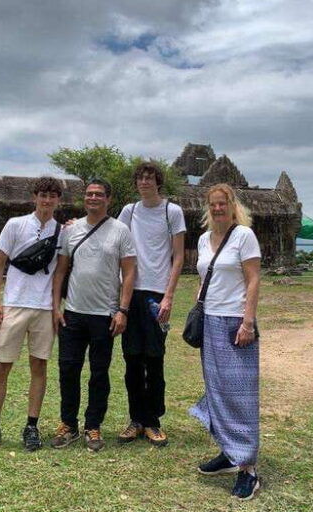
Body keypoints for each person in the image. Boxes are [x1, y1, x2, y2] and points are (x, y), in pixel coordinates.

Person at [0, 177, 64, 453]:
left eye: (52, 196)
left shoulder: (62, 231)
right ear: (34, 196)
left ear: (58, 200)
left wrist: (56, 307)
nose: (47, 200)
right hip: (15, 304)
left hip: (43, 307)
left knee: (39, 367)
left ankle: (31, 425)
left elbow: (58, 274)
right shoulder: (15, 224)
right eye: (43, 195)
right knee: (1, 366)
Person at [50, 179, 136, 452]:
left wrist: (122, 310)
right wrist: (55, 306)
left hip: (104, 314)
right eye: (89, 194)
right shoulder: (72, 230)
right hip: (73, 312)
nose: (93, 198)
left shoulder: (120, 231)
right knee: (68, 370)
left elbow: (129, 272)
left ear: (108, 199)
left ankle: (93, 425)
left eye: (99, 194)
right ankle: (68, 424)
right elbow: (61, 270)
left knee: (99, 373)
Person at [190, 183, 262, 501]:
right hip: (211, 320)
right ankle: (229, 452)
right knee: (217, 388)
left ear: (233, 205)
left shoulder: (244, 236)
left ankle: (248, 469)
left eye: (223, 203)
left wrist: (247, 322)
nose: (218, 209)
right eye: (213, 204)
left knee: (240, 393)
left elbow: (254, 279)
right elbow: (205, 279)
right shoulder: (204, 239)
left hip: (236, 321)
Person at [115, 162, 185, 446]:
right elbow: (112, 238)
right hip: (130, 292)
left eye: (150, 178)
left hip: (157, 294)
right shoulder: (129, 211)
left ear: (158, 182)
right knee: (132, 358)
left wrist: (169, 296)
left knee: (154, 359)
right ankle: (136, 419)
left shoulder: (172, 211)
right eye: (140, 178)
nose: (145, 182)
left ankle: (153, 420)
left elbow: (178, 256)